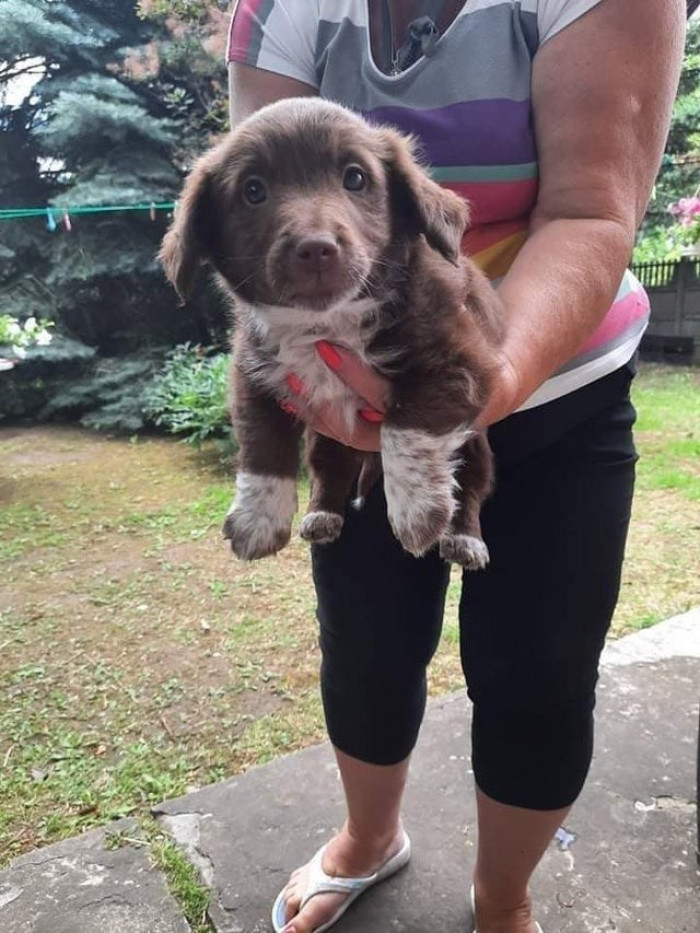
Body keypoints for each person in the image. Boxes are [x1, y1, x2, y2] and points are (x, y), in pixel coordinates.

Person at [225, 2, 685, 931]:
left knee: (541, 673)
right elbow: (254, 200)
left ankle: (503, 896)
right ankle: (369, 836)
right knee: (365, 646)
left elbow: (593, 208)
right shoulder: (278, 10)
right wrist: (305, 385)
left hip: (555, 384)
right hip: (348, 383)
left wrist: (458, 390)